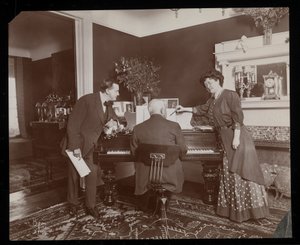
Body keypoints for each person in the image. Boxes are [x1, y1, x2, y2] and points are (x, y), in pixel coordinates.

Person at [176, 69, 269, 223]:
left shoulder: (230, 95)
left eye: (210, 82)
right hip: (225, 138)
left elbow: (238, 117)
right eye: (205, 84)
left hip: (237, 137)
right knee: (229, 173)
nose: (208, 86)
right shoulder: (212, 99)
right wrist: (183, 108)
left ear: (218, 81)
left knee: (241, 173)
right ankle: (235, 211)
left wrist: (236, 138)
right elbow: (201, 110)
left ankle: (251, 212)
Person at [61, 79, 120, 219]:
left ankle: (90, 206)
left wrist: (116, 123)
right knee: (74, 177)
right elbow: (72, 125)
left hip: (91, 147)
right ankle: (72, 204)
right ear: (107, 90)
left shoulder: (109, 104)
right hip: (77, 145)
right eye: (116, 91)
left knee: (92, 174)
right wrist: (75, 148)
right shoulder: (86, 100)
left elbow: (115, 118)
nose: (118, 94)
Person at [130, 99, 187, 213]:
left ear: (149, 111)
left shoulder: (137, 128)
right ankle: (163, 203)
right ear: (163, 110)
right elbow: (183, 150)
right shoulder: (174, 126)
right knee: (176, 162)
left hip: (146, 175)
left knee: (140, 164)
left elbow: (134, 153)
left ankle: (147, 204)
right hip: (169, 175)